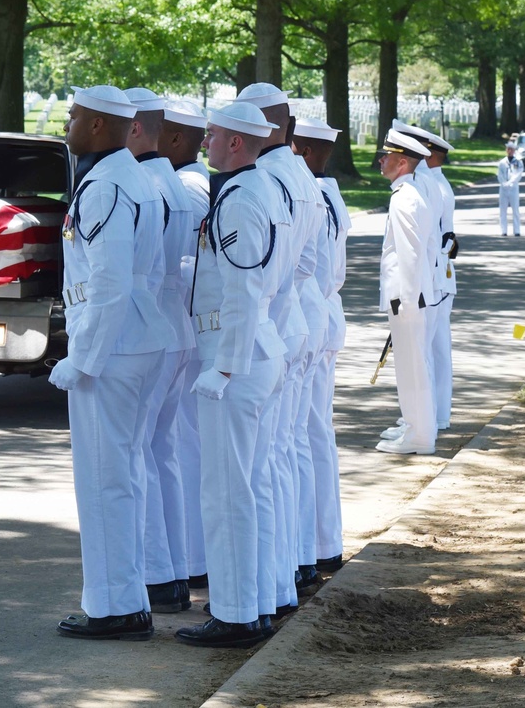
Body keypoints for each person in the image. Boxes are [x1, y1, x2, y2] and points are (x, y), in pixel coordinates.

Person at [50, 85, 171, 640]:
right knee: (125, 474)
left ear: (98, 124)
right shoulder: (132, 176)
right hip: (137, 339)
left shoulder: (106, 184)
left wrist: (84, 359)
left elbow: (109, 279)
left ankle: (114, 609)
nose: (67, 123)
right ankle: (129, 597)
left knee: (104, 481)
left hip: (115, 348)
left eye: (74, 116)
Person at [175, 101, 289, 648]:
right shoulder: (257, 188)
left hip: (237, 359)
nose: (206, 143)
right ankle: (256, 605)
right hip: (255, 353)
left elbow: (243, 290)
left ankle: (236, 615)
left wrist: (222, 366)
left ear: (237, 144)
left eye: (214, 134)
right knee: (250, 487)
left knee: (227, 492)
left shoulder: (241, 196)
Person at [235, 82, 326, 610]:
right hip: (291, 321)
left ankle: (267, 590)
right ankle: (287, 572)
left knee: (264, 465)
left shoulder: (269, 176)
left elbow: (277, 267)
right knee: (280, 457)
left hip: (272, 325)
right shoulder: (296, 171)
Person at [123, 87, 195, 614]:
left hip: (148, 324)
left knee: (137, 453)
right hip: (175, 325)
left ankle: (154, 573)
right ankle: (171, 569)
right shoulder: (173, 181)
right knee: (160, 450)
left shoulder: (144, 183)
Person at [290, 117, 350, 573]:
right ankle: (323, 542)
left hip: (312, 314)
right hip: (324, 316)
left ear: (304, 152)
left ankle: (315, 547)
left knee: (307, 434)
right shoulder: (329, 193)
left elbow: (319, 272)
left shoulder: (315, 194)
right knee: (315, 432)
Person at [157, 99, 211, 591]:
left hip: (190, 332)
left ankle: (195, 559)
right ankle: (190, 556)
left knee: (187, 446)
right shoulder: (188, 184)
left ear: (176, 140)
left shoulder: (189, 189)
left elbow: (186, 270)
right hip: (189, 331)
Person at [375, 129, 437, 455]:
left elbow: (411, 256)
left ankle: (419, 436)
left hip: (406, 298)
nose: (380, 160)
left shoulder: (404, 198)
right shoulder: (409, 194)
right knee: (413, 366)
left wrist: (408, 302)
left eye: (386, 156)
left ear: (401, 162)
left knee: (411, 369)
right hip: (409, 297)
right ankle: (416, 431)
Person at [422, 132, 458, 431]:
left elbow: (442, 240)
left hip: (438, 276)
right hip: (438, 274)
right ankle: (433, 412)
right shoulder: (433, 183)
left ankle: (436, 414)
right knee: (433, 347)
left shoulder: (435, 186)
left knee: (435, 347)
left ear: (430, 154)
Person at [498, 141, 523, 236]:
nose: (510, 151)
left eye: (511, 149)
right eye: (508, 149)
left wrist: (511, 182)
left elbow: (518, 174)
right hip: (503, 189)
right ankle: (503, 230)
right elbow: (499, 175)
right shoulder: (502, 162)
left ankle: (517, 230)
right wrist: (504, 183)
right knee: (502, 210)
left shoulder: (518, 162)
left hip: (513, 188)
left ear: (514, 150)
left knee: (515, 209)